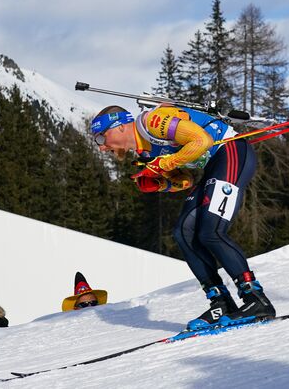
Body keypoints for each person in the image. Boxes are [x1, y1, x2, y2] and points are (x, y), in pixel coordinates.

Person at [91, 105, 275, 329]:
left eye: (101, 138)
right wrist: (161, 183)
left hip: (232, 151)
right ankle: (221, 302)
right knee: (183, 232)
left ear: (119, 126)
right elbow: (185, 180)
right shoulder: (146, 153)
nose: (101, 147)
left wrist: (165, 164)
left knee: (211, 231)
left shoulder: (152, 122)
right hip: (215, 165)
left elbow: (202, 141)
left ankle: (255, 299)